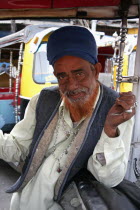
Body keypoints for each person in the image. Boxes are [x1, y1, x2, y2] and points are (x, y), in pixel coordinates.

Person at [0, 26, 136, 210]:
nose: (71, 85)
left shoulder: (116, 109)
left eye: (79, 73)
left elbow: (108, 178)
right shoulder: (42, 101)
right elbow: (17, 149)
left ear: (96, 70)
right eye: (62, 76)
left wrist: (110, 130)